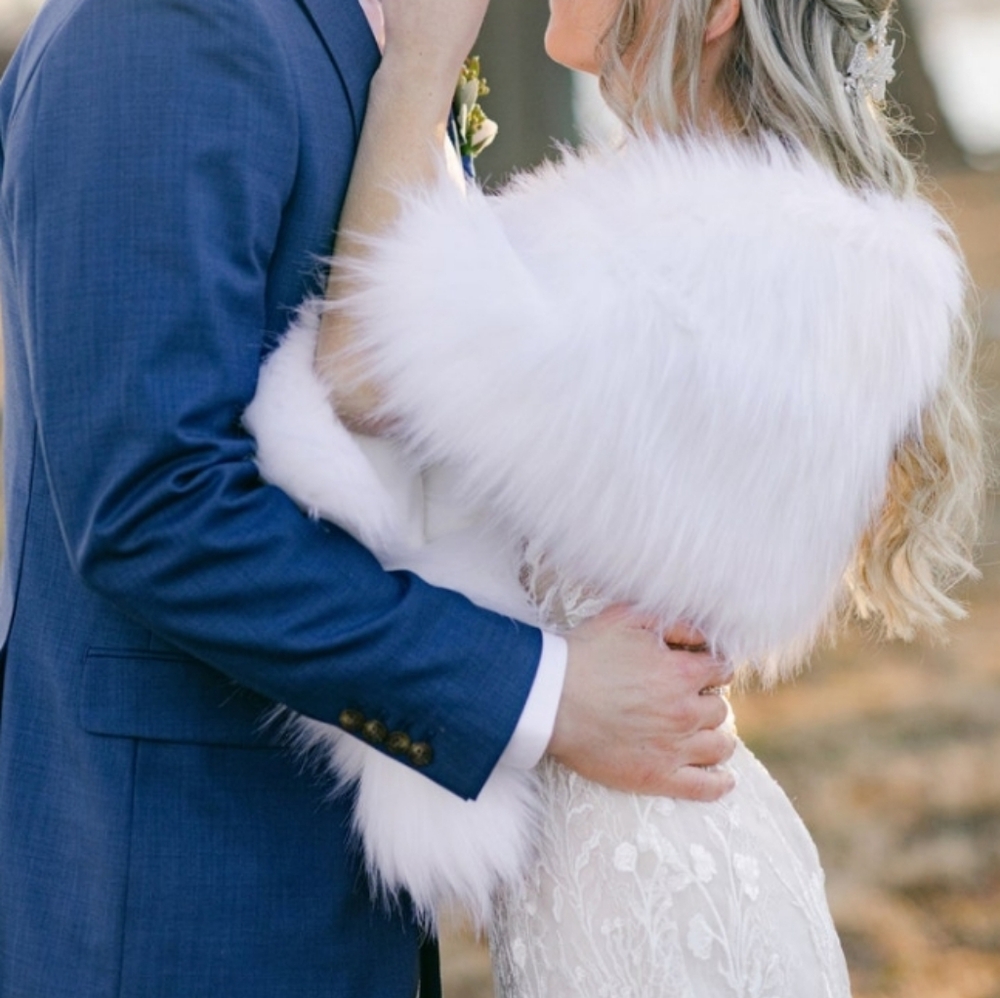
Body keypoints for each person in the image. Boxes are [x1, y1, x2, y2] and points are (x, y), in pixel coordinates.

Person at [0, 0, 739, 996]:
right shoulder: (167, 25)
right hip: (183, 898)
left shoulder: (378, 30)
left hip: (329, 889)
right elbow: (153, 503)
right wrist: (541, 690)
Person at [245, 0, 985, 993]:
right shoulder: (759, 248)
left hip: (644, 890)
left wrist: (418, 69)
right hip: (664, 843)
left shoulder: (695, 260)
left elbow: (361, 374)